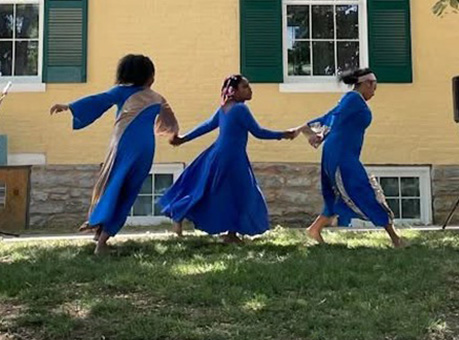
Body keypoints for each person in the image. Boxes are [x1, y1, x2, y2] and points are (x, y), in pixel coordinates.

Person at [49, 54, 178, 254]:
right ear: (148, 77)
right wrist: (175, 136)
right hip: (145, 150)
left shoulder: (121, 92)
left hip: (123, 146)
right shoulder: (157, 98)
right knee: (127, 191)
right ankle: (101, 233)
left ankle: (98, 230)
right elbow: (169, 121)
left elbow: (98, 100)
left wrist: (70, 106)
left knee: (113, 186)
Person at [157, 74, 302, 243]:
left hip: (220, 154)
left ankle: (228, 233)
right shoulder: (240, 109)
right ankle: (224, 231)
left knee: (222, 192)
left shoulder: (225, 108)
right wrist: (282, 135)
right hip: (231, 157)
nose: (250, 90)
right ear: (234, 91)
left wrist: (183, 139)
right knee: (242, 193)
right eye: (245, 87)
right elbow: (258, 132)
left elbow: (206, 126)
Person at [304, 67, 407, 248]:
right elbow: (333, 116)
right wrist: (314, 132)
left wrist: (317, 133)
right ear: (366, 84)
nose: (374, 92)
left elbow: (334, 118)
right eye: (374, 87)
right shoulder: (352, 99)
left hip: (341, 152)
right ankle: (395, 238)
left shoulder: (352, 99)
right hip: (341, 154)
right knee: (364, 189)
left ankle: (314, 229)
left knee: (339, 194)